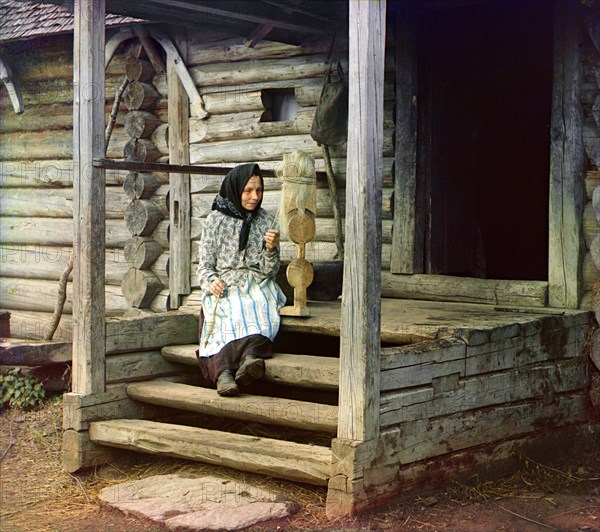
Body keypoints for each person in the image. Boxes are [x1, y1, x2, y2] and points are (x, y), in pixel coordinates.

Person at [196, 163, 286, 396]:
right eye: (248, 190)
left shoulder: (266, 220)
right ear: (236, 189)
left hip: (256, 281)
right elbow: (204, 267)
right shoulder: (215, 221)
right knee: (228, 307)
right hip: (224, 284)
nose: (255, 197)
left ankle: (250, 361)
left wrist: (270, 250)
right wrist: (212, 281)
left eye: (259, 190)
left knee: (259, 301)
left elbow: (269, 272)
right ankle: (224, 374)